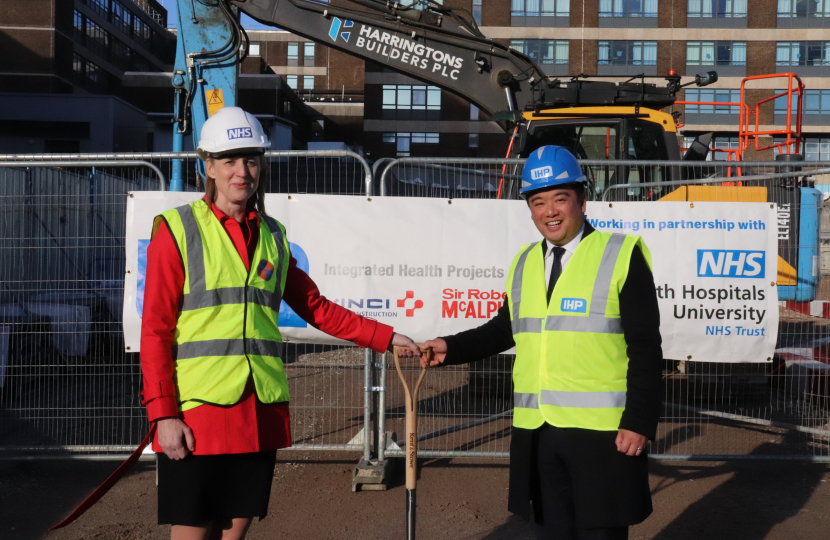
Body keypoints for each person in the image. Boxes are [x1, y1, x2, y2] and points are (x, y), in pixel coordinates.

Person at [140, 106, 419, 540]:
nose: (242, 172)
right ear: (208, 167)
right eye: (229, 160)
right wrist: (163, 414)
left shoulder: (272, 235)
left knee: (233, 534)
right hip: (198, 413)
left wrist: (385, 337)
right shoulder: (176, 230)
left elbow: (315, 306)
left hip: (258, 410)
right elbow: (155, 330)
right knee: (193, 532)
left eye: (251, 159)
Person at [421, 145, 662, 540]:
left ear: (582, 201)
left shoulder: (620, 254)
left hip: (602, 433)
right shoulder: (524, 261)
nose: (549, 211)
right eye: (538, 201)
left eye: (560, 199)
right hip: (539, 431)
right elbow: (505, 329)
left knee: (600, 535)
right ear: (529, 209)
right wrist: (452, 347)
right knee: (551, 534)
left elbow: (646, 347)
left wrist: (638, 421)